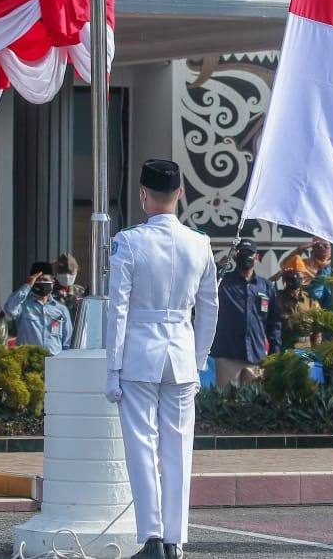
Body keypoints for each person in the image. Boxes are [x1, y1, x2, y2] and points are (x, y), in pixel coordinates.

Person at [104, 159, 219, 559]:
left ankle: (152, 536)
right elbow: (209, 308)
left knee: (142, 445)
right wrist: (199, 358)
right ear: (180, 194)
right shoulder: (199, 242)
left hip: (139, 353)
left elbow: (117, 310)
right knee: (178, 448)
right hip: (182, 354)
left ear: (142, 196)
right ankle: (175, 540)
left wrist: (112, 368)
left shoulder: (129, 241)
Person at [211, 238, 282, 388]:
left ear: (256, 257)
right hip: (228, 355)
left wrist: (275, 353)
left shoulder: (266, 287)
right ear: (236, 255)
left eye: (249, 254)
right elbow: (202, 289)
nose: (245, 257)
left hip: (256, 356)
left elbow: (274, 322)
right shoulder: (222, 283)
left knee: (254, 405)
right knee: (226, 404)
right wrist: (216, 268)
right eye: (242, 253)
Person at [4, 262, 73, 355]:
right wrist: (27, 286)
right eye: (38, 280)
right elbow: (10, 308)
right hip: (28, 361)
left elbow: (67, 341)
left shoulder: (61, 309)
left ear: (52, 282)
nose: (41, 282)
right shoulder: (23, 305)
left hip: (54, 361)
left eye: (45, 279)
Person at [278, 237, 333, 309]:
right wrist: (301, 249)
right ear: (312, 247)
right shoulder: (302, 264)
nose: (321, 248)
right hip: (305, 305)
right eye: (317, 245)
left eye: (326, 246)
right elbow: (284, 265)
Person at [277, 269, 321, 348]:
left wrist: (317, 350)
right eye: (293, 275)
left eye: (299, 275)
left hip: (305, 347)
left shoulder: (310, 300)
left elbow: (318, 328)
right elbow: (261, 291)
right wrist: (274, 278)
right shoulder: (278, 298)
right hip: (285, 347)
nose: (296, 277)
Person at [53, 252, 85, 327]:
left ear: (76, 272)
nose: (67, 276)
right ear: (57, 272)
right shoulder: (49, 290)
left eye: (71, 273)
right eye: (63, 272)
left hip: (77, 331)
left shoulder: (80, 291)